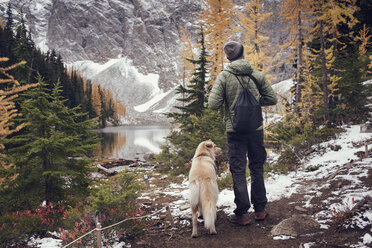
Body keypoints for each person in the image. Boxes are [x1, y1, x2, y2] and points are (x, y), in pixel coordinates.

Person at [208, 41, 277, 225]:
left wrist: (230, 103)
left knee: (238, 170)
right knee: (257, 167)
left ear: (228, 57)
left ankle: (242, 214)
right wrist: (254, 103)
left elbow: (213, 104)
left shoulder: (224, 77)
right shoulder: (256, 75)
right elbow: (272, 99)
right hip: (256, 129)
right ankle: (260, 210)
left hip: (235, 130)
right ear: (243, 54)